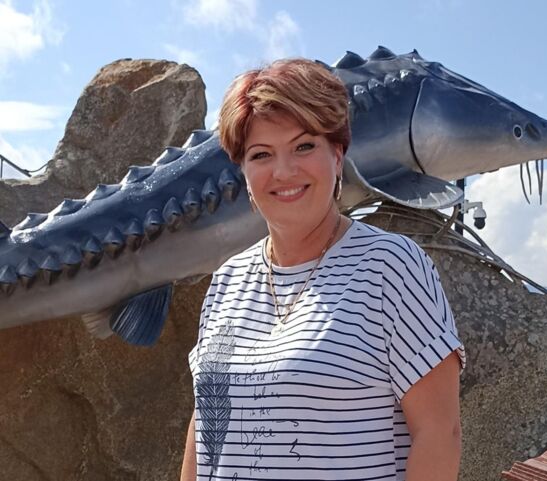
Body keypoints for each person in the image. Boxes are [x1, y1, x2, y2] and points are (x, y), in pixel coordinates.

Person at [181, 58, 466, 481]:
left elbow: (440, 433)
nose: (284, 171)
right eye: (261, 154)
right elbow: (203, 426)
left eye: (303, 147)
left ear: (337, 154)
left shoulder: (390, 267)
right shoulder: (227, 281)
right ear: (243, 172)